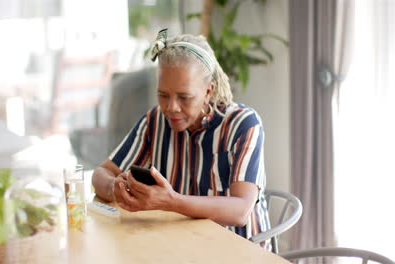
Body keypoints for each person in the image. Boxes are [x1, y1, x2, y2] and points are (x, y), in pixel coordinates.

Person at [92, 29, 269, 245]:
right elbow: (102, 173)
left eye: (184, 97)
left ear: (208, 91)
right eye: (163, 95)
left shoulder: (243, 125)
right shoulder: (155, 121)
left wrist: (170, 201)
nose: (171, 108)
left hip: (238, 249)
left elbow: (240, 210)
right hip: (182, 242)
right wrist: (114, 187)